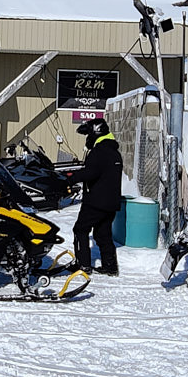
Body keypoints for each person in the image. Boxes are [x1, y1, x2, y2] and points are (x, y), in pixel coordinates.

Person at [65, 118, 123, 275]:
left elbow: (90, 173)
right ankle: (110, 266)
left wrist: (70, 178)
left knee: (80, 229)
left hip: (96, 201)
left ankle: (83, 264)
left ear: (95, 133)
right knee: (102, 233)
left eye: (88, 135)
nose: (87, 139)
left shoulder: (99, 152)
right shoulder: (114, 151)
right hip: (111, 202)